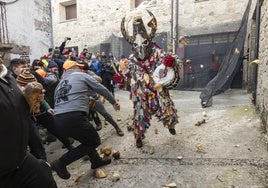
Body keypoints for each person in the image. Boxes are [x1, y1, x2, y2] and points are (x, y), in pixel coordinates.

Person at [51, 60, 120, 179]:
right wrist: (113, 102)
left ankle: (96, 161)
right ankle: (61, 162)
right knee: (94, 141)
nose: (82, 69)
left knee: (86, 140)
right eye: (80, 67)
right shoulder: (80, 75)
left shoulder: (60, 83)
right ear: (74, 68)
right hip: (73, 117)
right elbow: (101, 88)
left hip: (58, 120)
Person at [0, 55, 57, 188]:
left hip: (19, 158)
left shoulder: (8, 78)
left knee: (46, 180)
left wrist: (29, 98)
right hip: (3, 170)